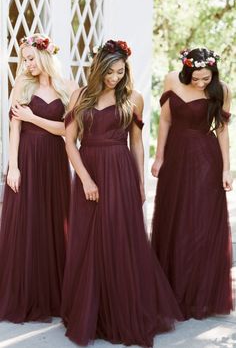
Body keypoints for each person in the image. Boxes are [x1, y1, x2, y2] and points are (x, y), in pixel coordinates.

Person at [61, 39, 182, 347]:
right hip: (89, 171)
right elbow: (69, 141)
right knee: (88, 242)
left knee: (118, 240)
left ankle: (121, 311)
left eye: (120, 72)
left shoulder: (134, 98)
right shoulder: (80, 95)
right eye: (110, 72)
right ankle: (91, 313)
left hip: (121, 173)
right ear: (98, 68)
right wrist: (86, 179)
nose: (114, 78)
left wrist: (140, 183)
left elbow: (138, 143)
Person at [151, 47, 234, 320]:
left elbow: (222, 130)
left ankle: (198, 295)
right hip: (175, 157)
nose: (200, 83)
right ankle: (170, 289)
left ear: (213, 73)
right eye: (196, 78)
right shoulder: (171, 79)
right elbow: (164, 119)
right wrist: (159, 157)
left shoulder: (222, 90)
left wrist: (226, 169)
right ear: (187, 71)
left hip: (204, 161)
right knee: (173, 220)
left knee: (199, 224)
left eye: (206, 79)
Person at [0, 33, 78, 322]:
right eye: (24, 59)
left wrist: (33, 118)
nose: (27, 64)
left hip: (55, 161)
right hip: (27, 160)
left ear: (45, 55)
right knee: (26, 223)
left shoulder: (67, 87)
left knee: (54, 222)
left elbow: (66, 131)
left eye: (31, 58)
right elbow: (14, 129)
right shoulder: (22, 84)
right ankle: (25, 293)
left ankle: (53, 295)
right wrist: (14, 166)